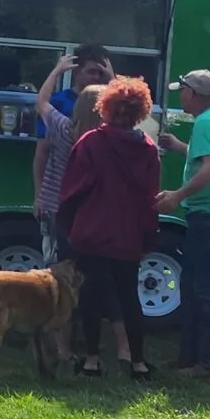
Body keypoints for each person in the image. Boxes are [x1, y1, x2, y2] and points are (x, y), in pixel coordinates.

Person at [58, 77, 161, 382]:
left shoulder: (90, 142)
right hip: (128, 236)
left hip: (90, 233)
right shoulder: (148, 149)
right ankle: (138, 363)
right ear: (140, 111)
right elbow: (149, 198)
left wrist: (69, 224)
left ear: (106, 108)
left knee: (90, 296)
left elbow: (72, 190)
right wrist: (147, 236)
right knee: (129, 297)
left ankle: (92, 360)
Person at [157, 69, 210, 382]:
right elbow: (209, 157)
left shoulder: (205, 122)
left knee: (207, 289)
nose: (180, 96)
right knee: (192, 287)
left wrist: (178, 195)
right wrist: (180, 146)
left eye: (183, 90)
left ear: (193, 94)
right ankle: (190, 358)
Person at [31, 46, 115, 259]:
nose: (96, 77)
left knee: (59, 261)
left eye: (100, 73)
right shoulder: (109, 136)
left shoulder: (64, 128)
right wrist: (112, 78)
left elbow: (41, 102)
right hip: (85, 207)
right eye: (91, 71)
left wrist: (57, 70)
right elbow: (41, 153)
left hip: (61, 202)